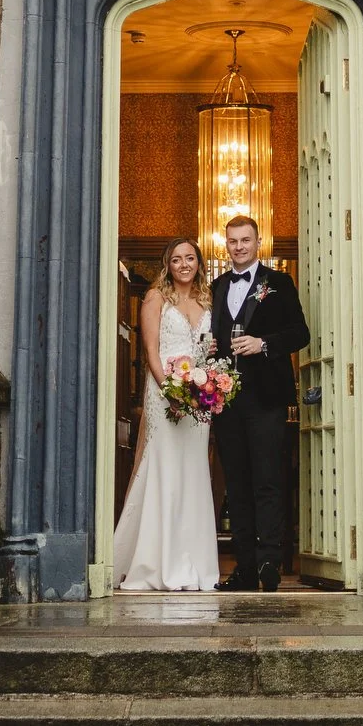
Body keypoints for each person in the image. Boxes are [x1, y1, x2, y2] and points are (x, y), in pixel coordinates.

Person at [112, 238, 220, 592]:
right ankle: (155, 562)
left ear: (199, 263)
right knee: (164, 470)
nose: (184, 264)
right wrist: (169, 392)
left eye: (190, 258)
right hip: (166, 397)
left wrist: (208, 379)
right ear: (168, 265)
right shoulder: (156, 298)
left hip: (198, 401)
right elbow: (151, 350)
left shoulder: (207, 300)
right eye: (177, 259)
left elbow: (204, 351)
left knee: (193, 472)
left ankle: (194, 563)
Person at [211, 213, 310, 592]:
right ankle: (245, 568)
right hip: (226, 399)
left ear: (257, 242)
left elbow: (301, 333)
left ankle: (270, 561)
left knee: (267, 480)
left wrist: (263, 344)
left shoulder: (279, 282)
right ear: (226, 244)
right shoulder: (218, 286)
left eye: (245, 240)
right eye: (233, 241)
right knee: (236, 485)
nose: (239, 247)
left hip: (266, 397)